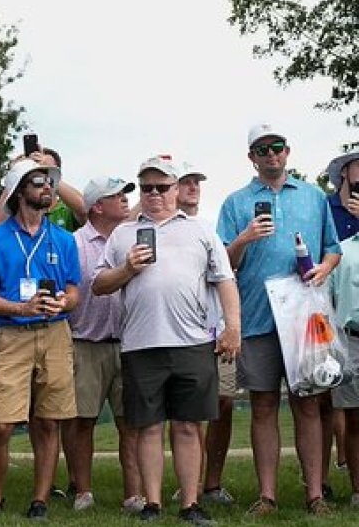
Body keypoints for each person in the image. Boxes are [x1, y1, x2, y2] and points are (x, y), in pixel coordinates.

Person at [93, 157, 241, 525]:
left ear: (176, 189)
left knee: (189, 425)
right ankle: (153, 504)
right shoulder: (123, 235)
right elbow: (98, 285)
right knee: (148, 427)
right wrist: (127, 269)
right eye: (147, 188)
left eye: (162, 187)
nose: (154, 194)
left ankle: (190, 504)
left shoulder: (201, 230)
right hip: (141, 344)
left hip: (192, 342)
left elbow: (225, 281)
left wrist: (232, 326)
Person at [217, 123, 341, 516]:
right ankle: (267, 496)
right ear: (251, 157)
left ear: (288, 152)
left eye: (277, 147)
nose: (271, 154)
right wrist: (244, 239)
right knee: (264, 405)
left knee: (309, 403)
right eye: (262, 149)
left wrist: (323, 268)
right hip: (257, 317)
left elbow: (332, 250)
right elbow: (225, 265)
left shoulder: (313, 196)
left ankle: (315, 495)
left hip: (305, 318)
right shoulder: (236, 203)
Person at [0, 159, 81, 520]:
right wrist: (23, 308)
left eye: (49, 182)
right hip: (13, 334)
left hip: (55, 333)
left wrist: (63, 302)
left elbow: (74, 290)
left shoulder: (64, 240)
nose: (47, 188)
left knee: (50, 420)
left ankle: (40, 500)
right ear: (19, 191)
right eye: (38, 182)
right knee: (2, 424)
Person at [63, 176, 142, 512]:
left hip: (130, 343)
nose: (125, 200)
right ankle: (83, 492)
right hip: (85, 343)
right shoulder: (74, 243)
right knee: (83, 422)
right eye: (117, 196)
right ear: (97, 206)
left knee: (132, 424)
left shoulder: (133, 239)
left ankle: (134, 495)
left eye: (126, 195)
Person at [174, 162, 238, 507]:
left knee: (223, 403)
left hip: (216, 329)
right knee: (190, 411)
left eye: (196, 181)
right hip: (185, 333)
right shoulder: (162, 228)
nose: (193, 187)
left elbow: (227, 277)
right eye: (185, 182)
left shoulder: (210, 228)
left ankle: (212, 483)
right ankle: (192, 484)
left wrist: (231, 326)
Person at [328, 221, 359, 506]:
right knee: (353, 417)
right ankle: (358, 490)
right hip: (351, 340)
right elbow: (329, 300)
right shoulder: (342, 251)